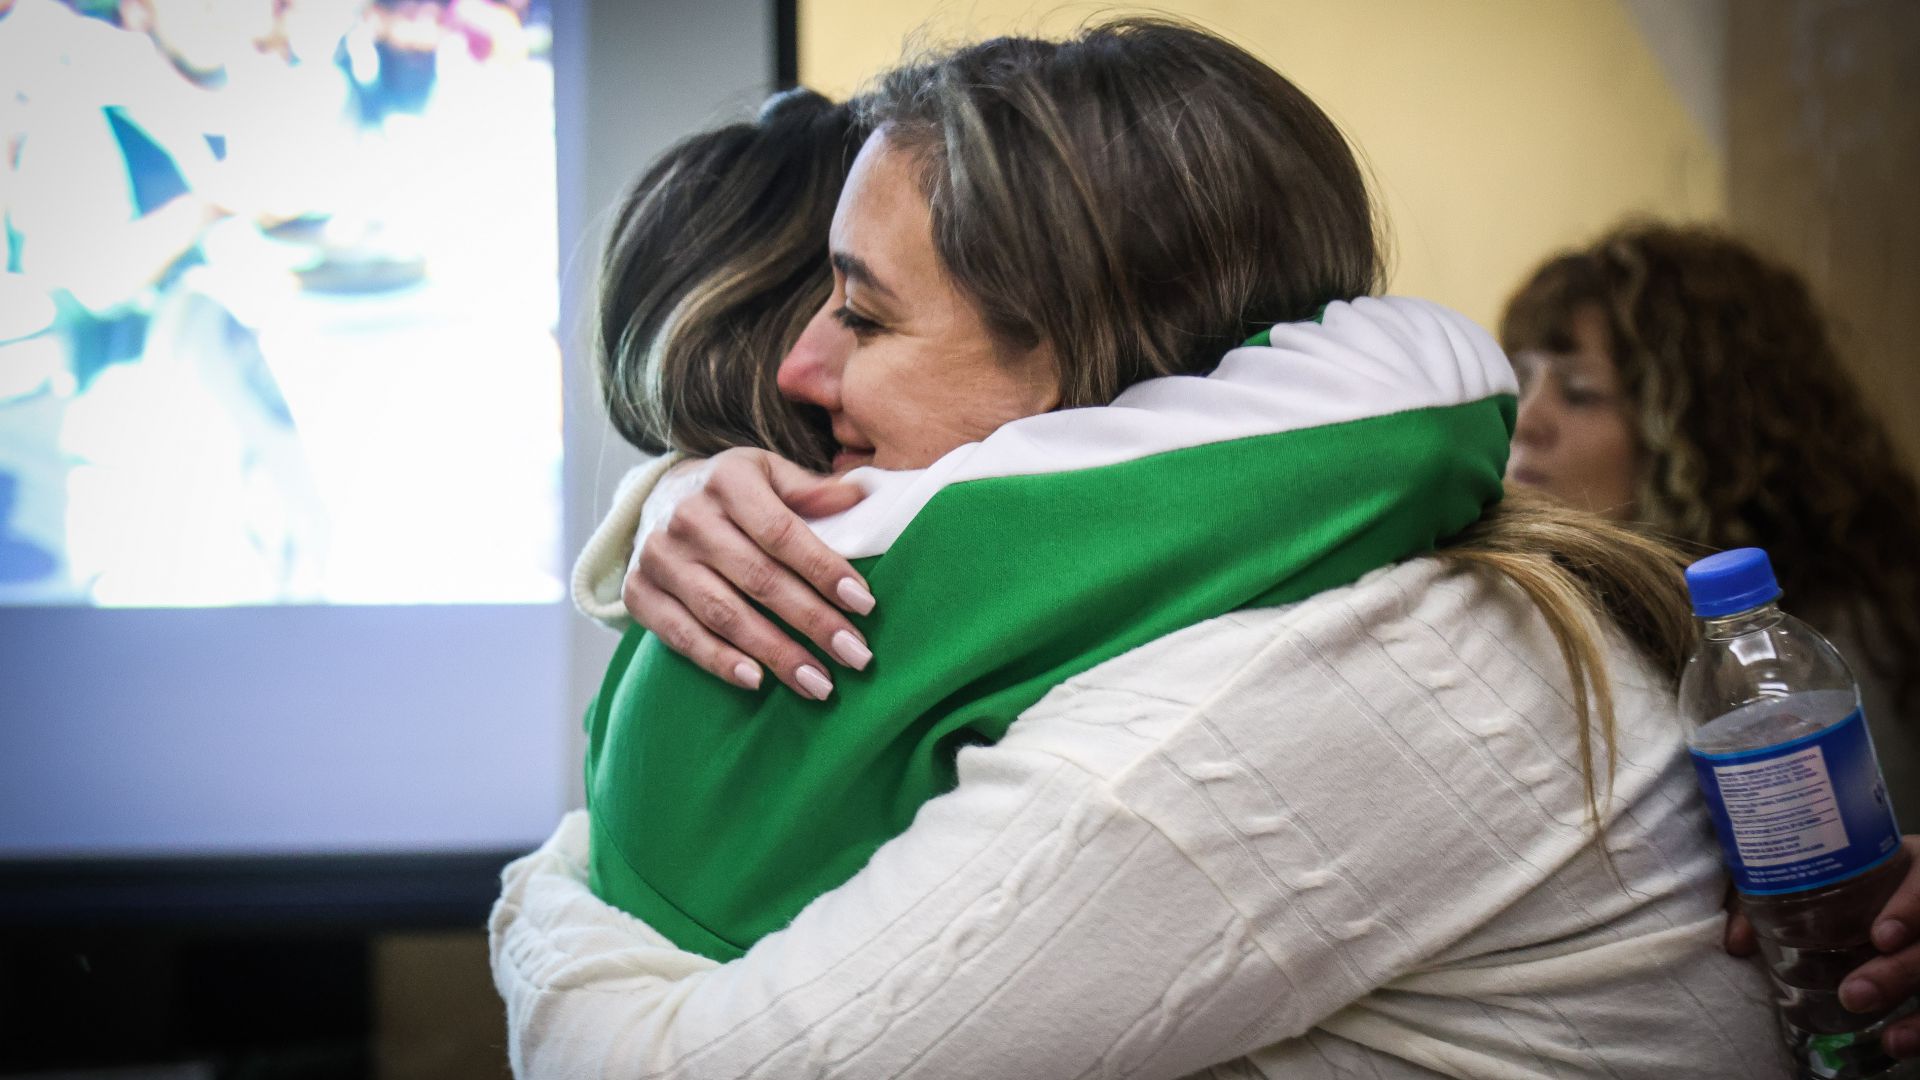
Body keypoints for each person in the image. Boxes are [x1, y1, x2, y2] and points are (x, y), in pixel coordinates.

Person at [487, 21, 1827, 1075]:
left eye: (865, 318)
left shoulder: (1267, 706)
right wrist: (669, 500)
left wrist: (554, 881)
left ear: (1087, 364)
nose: (798, 369)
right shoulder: (1312, 586)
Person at [1501, 221, 1920, 828]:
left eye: (1578, 391)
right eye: (1521, 380)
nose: (1525, 419)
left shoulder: (1825, 646)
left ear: (1701, 432)